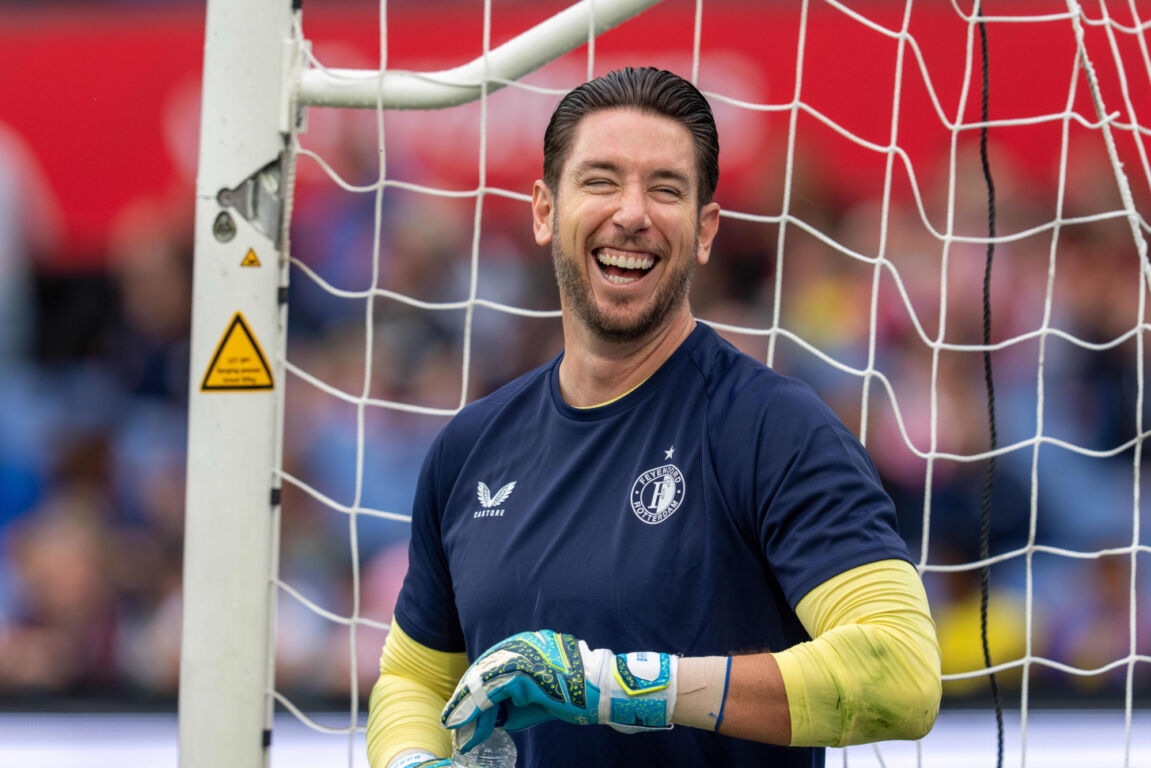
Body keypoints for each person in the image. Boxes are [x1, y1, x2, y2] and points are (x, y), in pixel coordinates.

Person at [365, 66, 941, 768]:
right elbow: (414, 679)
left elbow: (902, 675)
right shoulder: (470, 447)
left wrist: (619, 686)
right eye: (600, 180)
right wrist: (410, 762)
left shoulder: (773, 429)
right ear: (545, 211)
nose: (631, 213)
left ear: (704, 231)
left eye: (664, 188)